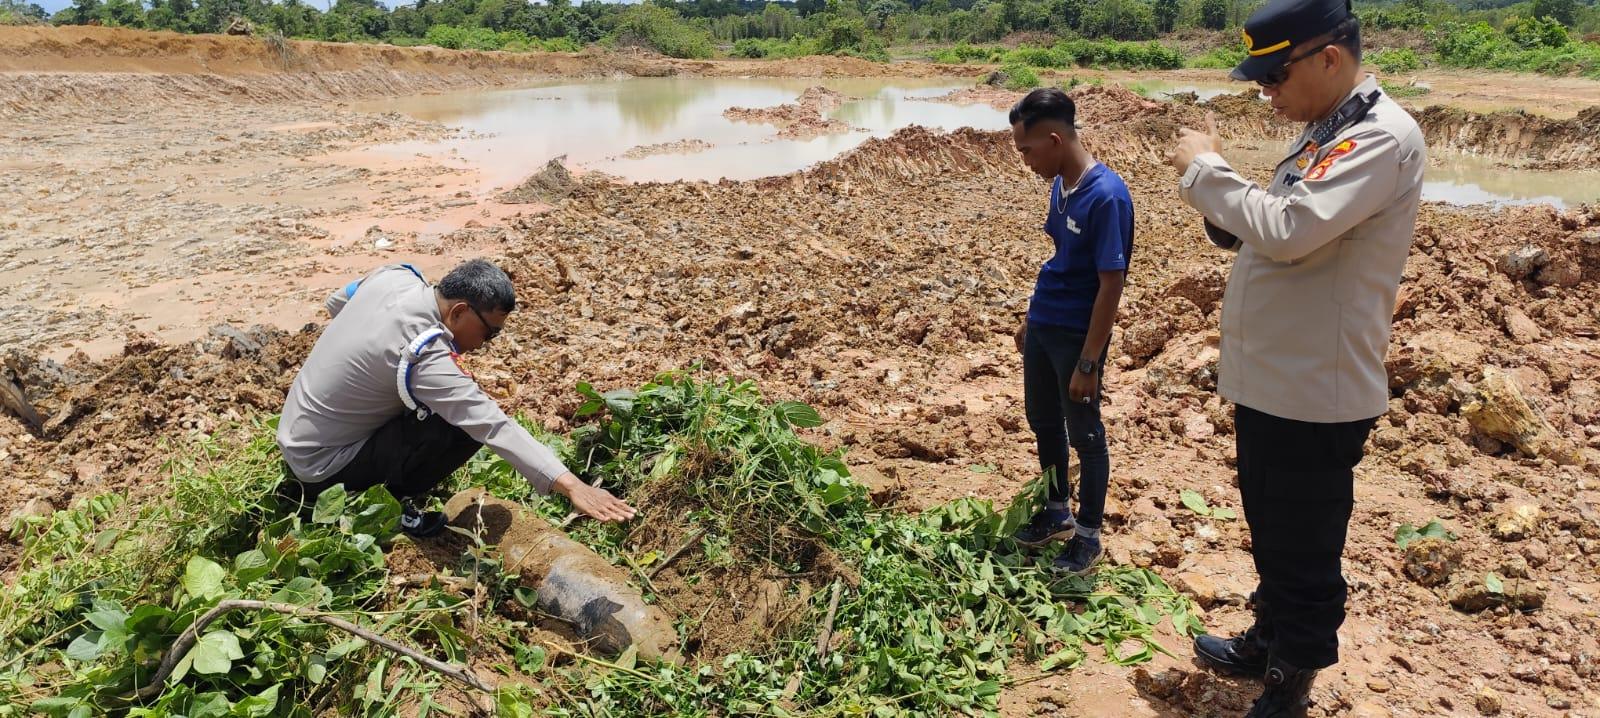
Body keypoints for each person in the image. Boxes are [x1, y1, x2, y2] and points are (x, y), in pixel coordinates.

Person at [1166, 0, 1426, 713]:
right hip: (1277, 378)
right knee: (1275, 525)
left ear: (1329, 60)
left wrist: (1205, 171)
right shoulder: (1327, 130)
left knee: (1304, 542)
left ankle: (1292, 675)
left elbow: (1287, 229)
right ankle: (1268, 636)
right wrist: (1226, 206)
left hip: (1316, 387)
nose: (1267, 91)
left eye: (1275, 75)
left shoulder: (1379, 137)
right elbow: (1276, 226)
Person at [276, 259, 636, 537]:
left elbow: (336, 302)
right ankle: (389, 507)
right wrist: (572, 485)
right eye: (489, 333)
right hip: (322, 470)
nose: (484, 344)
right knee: (459, 427)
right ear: (460, 311)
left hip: (296, 434)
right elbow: (492, 425)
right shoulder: (423, 353)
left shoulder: (395, 277)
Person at [1006, 88, 1135, 576]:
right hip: (1045, 326)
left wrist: (1088, 362)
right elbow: (1059, 260)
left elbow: (1110, 284)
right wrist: (1030, 321)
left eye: (1027, 151)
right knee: (1043, 421)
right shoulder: (1061, 184)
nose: (1025, 161)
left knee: (1085, 434)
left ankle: (1087, 537)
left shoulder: (1107, 196)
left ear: (1055, 139)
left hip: (1076, 339)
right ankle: (1056, 513)